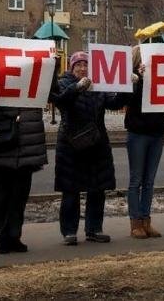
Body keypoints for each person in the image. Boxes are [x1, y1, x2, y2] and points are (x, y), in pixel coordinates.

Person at [52, 51, 126, 245]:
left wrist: (129, 85)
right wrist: (77, 88)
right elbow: (60, 100)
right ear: (72, 67)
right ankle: (69, 232)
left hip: (96, 143)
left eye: (86, 65)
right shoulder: (64, 83)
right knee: (71, 190)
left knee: (97, 188)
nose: (83, 68)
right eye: (79, 65)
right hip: (71, 144)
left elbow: (115, 102)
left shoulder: (98, 85)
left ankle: (94, 229)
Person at [0, 104, 47, 254]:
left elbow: (49, 91)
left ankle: (14, 236)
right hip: (2, 138)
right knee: (1, 194)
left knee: (19, 195)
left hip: (25, 140)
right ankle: (2, 237)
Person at [122, 46, 164, 239]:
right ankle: (135, 222)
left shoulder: (159, 75)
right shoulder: (131, 78)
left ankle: (146, 220)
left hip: (156, 131)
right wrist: (137, 81)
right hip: (138, 132)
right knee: (136, 180)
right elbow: (126, 100)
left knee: (149, 181)